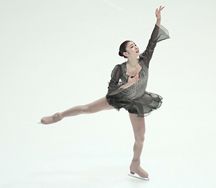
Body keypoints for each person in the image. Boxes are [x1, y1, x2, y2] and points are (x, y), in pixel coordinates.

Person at [40, 5, 170, 181]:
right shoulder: (119, 69)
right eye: (132, 46)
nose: (136, 47)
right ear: (125, 53)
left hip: (137, 101)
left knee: (140, 137)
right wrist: (127, 85)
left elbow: (152, 42)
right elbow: (111, 90)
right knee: (87, 108)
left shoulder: (145, 59)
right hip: (120, 97)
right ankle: (59, 115)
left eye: (135, 45)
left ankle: (135, 164)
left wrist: (158, 20)